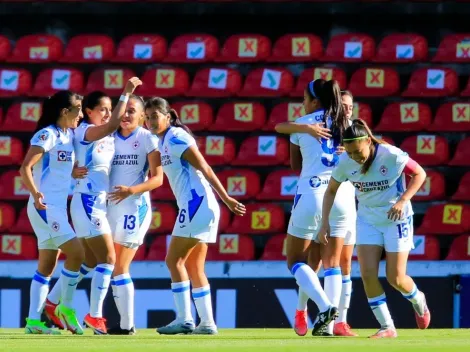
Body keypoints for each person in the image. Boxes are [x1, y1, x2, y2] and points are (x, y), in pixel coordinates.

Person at [44, 78, 143, 335]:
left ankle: (53, 303)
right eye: (103, 109)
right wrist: (127, 93)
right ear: (88, 112)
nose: (109, 114)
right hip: (87, 201)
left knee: (88, 260)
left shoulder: (109, 137)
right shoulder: (85, 131)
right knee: (108, 258)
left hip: (96, 201)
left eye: (111, 109)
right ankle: (95, 315)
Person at [317, 119, 431, 338]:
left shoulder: (391, 154)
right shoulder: (345, 162)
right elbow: (331, 190)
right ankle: (387, 327)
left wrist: (402, 200)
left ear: (368, 141)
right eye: (350, 153)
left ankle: (419, 299)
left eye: (358, 152)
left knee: (395, 278)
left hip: (396, 218)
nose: (354, 158)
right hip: (367, 219)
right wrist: (324, 222)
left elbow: (420, 174)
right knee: (368, 274)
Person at [144, 97, 246, 335]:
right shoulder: (164, 140)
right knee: (193, 265)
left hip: (196, 205)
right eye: (147, 117)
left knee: (173, 261)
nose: (150, 121)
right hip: (198, 206)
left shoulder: (177, 138)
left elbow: (205, 168)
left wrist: (227, 198)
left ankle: (184, 318)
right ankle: (207, 323)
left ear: (168, 116)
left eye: (155, 116)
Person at [274, 79, 353, 336]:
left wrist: (303, 133)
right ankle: (327, 328)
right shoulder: (346, 123)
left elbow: (295, 166)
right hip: (341, 196)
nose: (303, 103)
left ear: (315, 101)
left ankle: (324, 306)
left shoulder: (304, 124)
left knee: (295, 261)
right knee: (332, 264)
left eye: (305, 99)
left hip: (311, 192)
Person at [20, 90, 85, 335]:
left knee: (47, 266)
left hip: (55, 207)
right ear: (64, 111)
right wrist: (36, 194)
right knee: (77, 253)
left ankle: (33, 321)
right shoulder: (47, 134)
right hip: (45, 206)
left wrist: (72, 173)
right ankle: (63, 307)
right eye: (78, 108)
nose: (81, 114)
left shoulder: (68, 135)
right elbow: (25, 168)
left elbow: (55, 170)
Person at [105, 93, 164, 335]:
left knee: (119, 266)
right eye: (124, 110)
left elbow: (158, 179)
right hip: (108, 208)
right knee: (105, 265)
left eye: (132, 111)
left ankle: (127, 326)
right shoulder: (106, 137)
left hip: (134, 208)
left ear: (142, 116)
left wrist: (131, 190)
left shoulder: (148, 139)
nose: (126, 115)